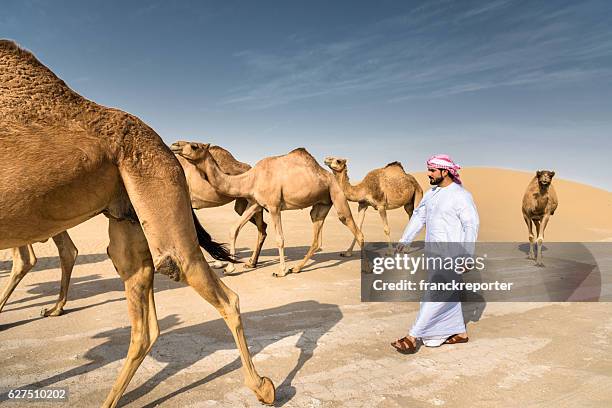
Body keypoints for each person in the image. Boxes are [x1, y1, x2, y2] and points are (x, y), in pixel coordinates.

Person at [391, 154, 479, 354]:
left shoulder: (461, 196)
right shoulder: (431, 195)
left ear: (445, 171)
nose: (428, 174)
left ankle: (413, 336)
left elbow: (471, 225)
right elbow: (418, 216)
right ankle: (459, 332)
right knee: (445, 294)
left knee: (434, 294)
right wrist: (405, 240)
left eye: (432, 170)